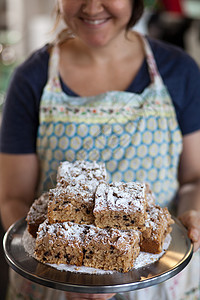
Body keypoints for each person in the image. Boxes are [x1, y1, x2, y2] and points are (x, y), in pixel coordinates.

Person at [0, 0, 200, 299]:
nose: (93, 7)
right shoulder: (32, 77)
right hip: (52, 285)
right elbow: (13, 197)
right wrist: (63, 267)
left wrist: (192, 213)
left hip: (161, 284)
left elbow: (194, 178)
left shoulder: (179, 70)